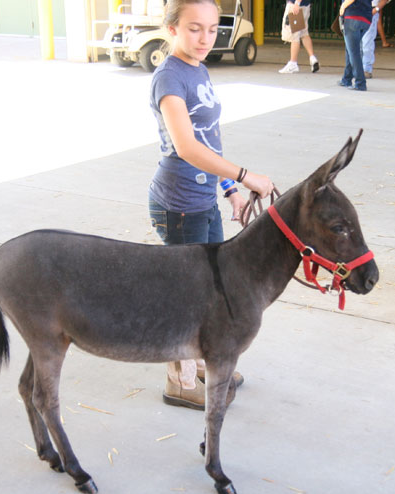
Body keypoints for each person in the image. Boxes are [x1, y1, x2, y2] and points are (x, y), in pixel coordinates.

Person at [148, 0, 275, 410]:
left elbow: (209, 138)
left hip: (205, 199)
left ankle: (201, 363)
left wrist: (230, 191)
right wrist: (245, 176)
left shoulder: (198, 68)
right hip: (179, 203)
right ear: (172, 29)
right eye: (194, 29)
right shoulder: (169, 78)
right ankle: (179, 381)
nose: (205, 38)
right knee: (185, 297)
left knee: (212, 290)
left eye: (211, 28)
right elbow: (186, 148)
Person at [338, 0, 372, 91]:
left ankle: (360, 83)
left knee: (353, 52)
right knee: (350, 49)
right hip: (366, 18)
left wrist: (343, 6)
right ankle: (346, 79)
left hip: (352, 16)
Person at [278, 0, 319, 74]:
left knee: (295, 35)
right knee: (304, 33)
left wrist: (297, 3)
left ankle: (293, 63)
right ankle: (312, 58)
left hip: (295, 6)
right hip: (305, 5)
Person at [360, 0, 390, 79]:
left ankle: (366, 69)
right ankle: (359, 68)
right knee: (360, 43)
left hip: (369, 11)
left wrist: (375, 10)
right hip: (358, 11)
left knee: (367, 43)